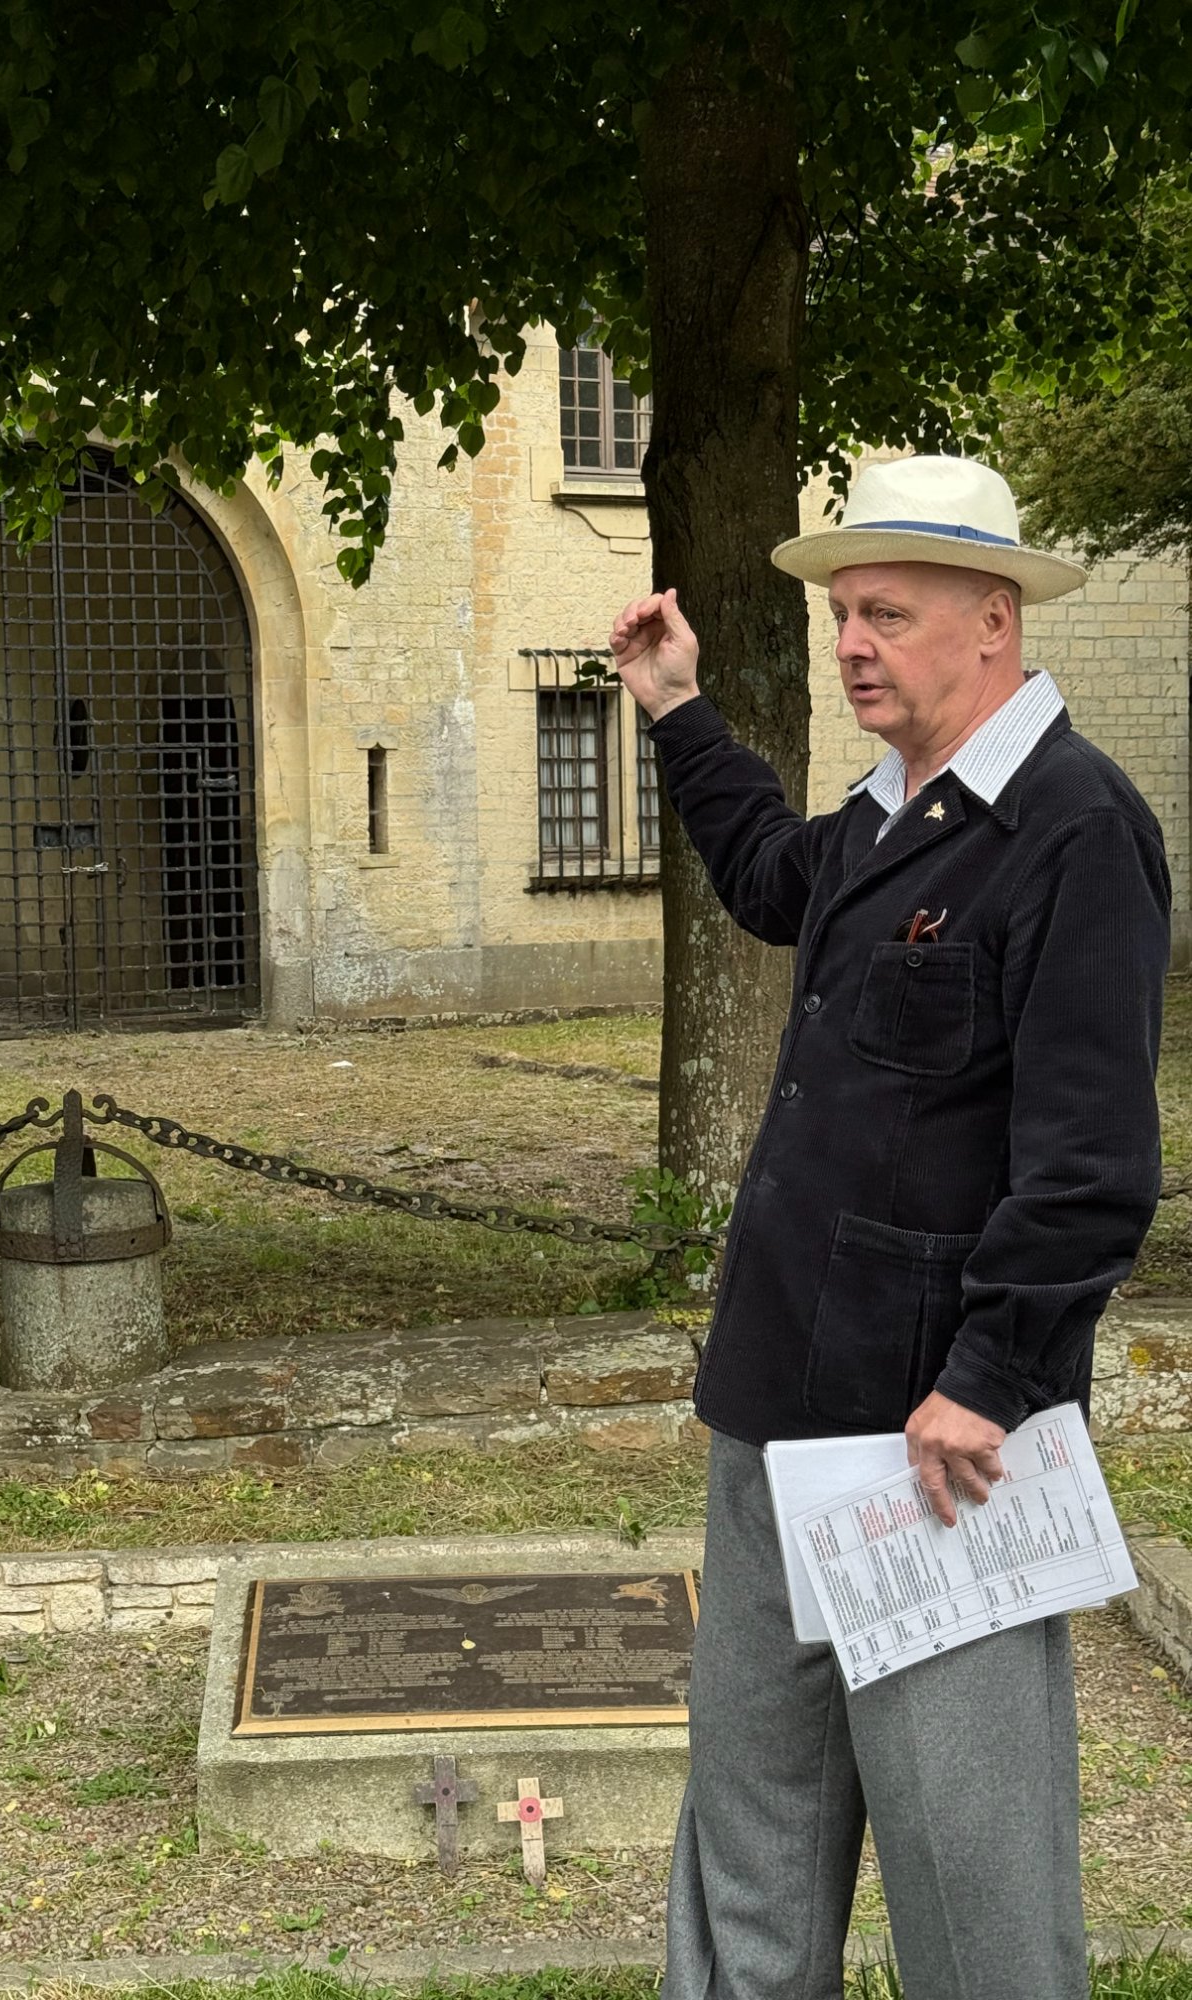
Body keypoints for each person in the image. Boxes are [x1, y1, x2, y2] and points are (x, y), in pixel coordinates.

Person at [609, 454, 1171, 2000]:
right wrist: (676, 706)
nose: (852, 644)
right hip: (771, 1411)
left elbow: (1091, 1162)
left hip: (935, 1449)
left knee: (971, 1880)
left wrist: (993, 1374)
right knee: (750, 1845)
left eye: (888, 615)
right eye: (842, 614)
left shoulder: (1074, 827)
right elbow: (764, 875)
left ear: (994, 619)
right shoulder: (881, 818)